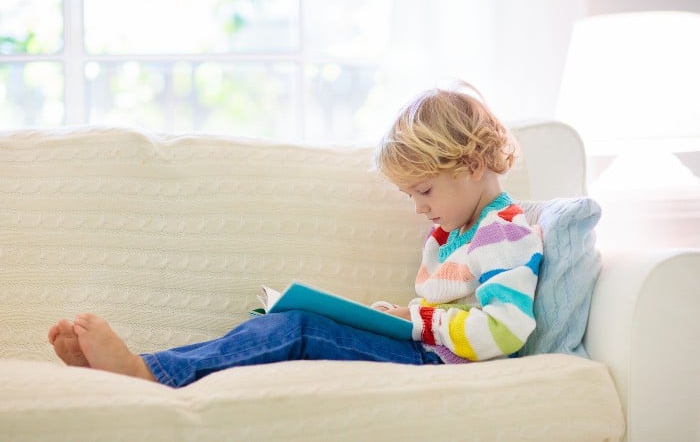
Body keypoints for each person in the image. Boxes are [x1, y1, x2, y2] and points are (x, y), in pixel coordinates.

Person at [48, 80, 543, 387]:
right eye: (412, 195)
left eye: (425, 191)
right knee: (292, 316)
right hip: (424, 349)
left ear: (474, 165)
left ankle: (144, 372)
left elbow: (505, 329)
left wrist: (419, 324)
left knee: (300, 328)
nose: (418, 208)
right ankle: (145, 366)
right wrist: (400, 316)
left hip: (438, 366)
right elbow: (452, 312)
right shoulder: (459, 231)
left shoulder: (502, 233)